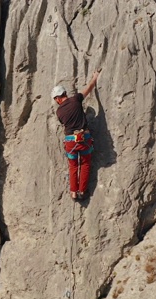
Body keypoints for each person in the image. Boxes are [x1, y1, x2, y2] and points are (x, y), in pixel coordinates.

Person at [52, 70, 100, 201]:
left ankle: (73, 192)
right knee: (85, 164)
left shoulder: (59, 112)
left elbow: (64, 124)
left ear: (57, 98)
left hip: (70, 142)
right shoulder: (76, 99)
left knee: (73, 166)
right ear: (65, 93)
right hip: (83, 139)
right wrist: (95, 77)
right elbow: (88, 88)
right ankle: (82, 191)